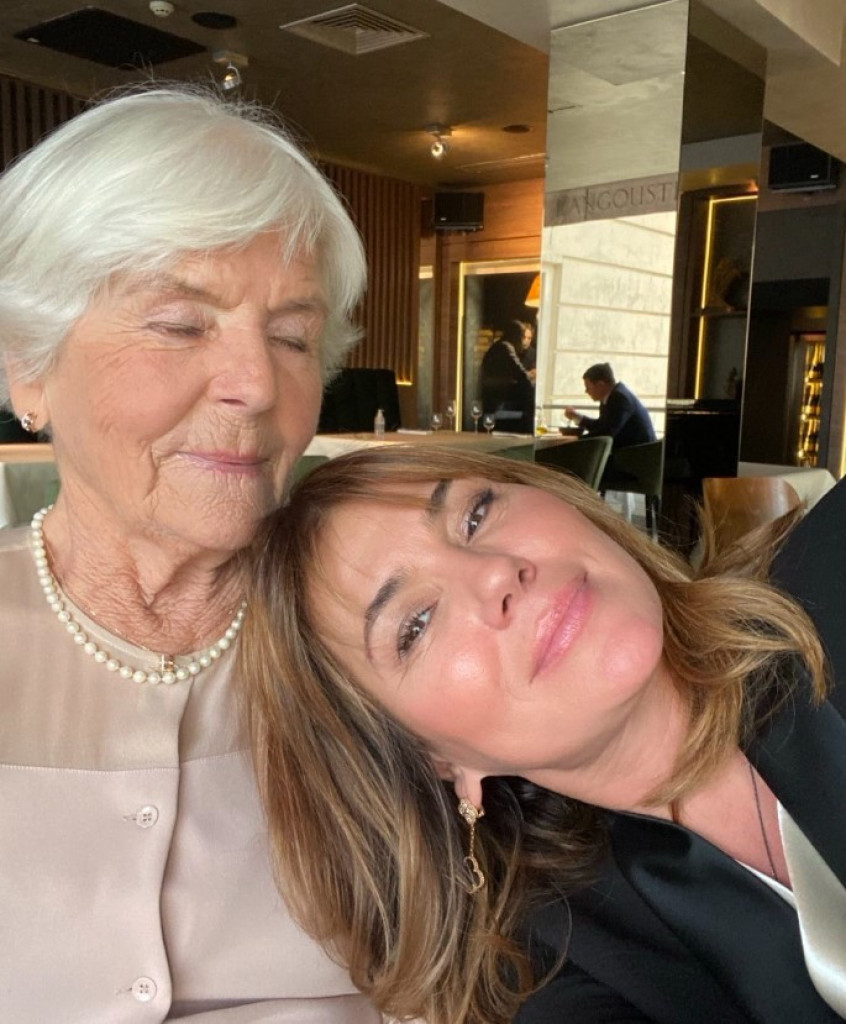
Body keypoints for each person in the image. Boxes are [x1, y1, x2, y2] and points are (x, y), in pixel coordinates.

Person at [0, 85, 380, 1022]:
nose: (257, 385)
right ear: (28, 367)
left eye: (292, 338)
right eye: (179, 324)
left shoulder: (382, 635)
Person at [242, 444, 846, 1024]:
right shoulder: (551, 971)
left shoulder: (831, 565)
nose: (496, 573)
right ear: (432, 759)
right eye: (416, 624)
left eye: (475, 515)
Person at [564, 361, 656, 450]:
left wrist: (575, 441)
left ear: (600, 385)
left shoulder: (619, 398)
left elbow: (607, 433)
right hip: (628, 450)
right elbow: (601, 426)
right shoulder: (611, 396)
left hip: (637, 454)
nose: (586, 391)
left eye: (588, 387)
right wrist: (576, 417)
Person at [480, 319, 535, 433]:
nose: (523, 341)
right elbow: (521, 374)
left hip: (495, 400)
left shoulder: (500, 346)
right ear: (515, 335)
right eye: (521, 336)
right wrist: (532, 375)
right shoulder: (506, 347)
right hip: (496, 402)